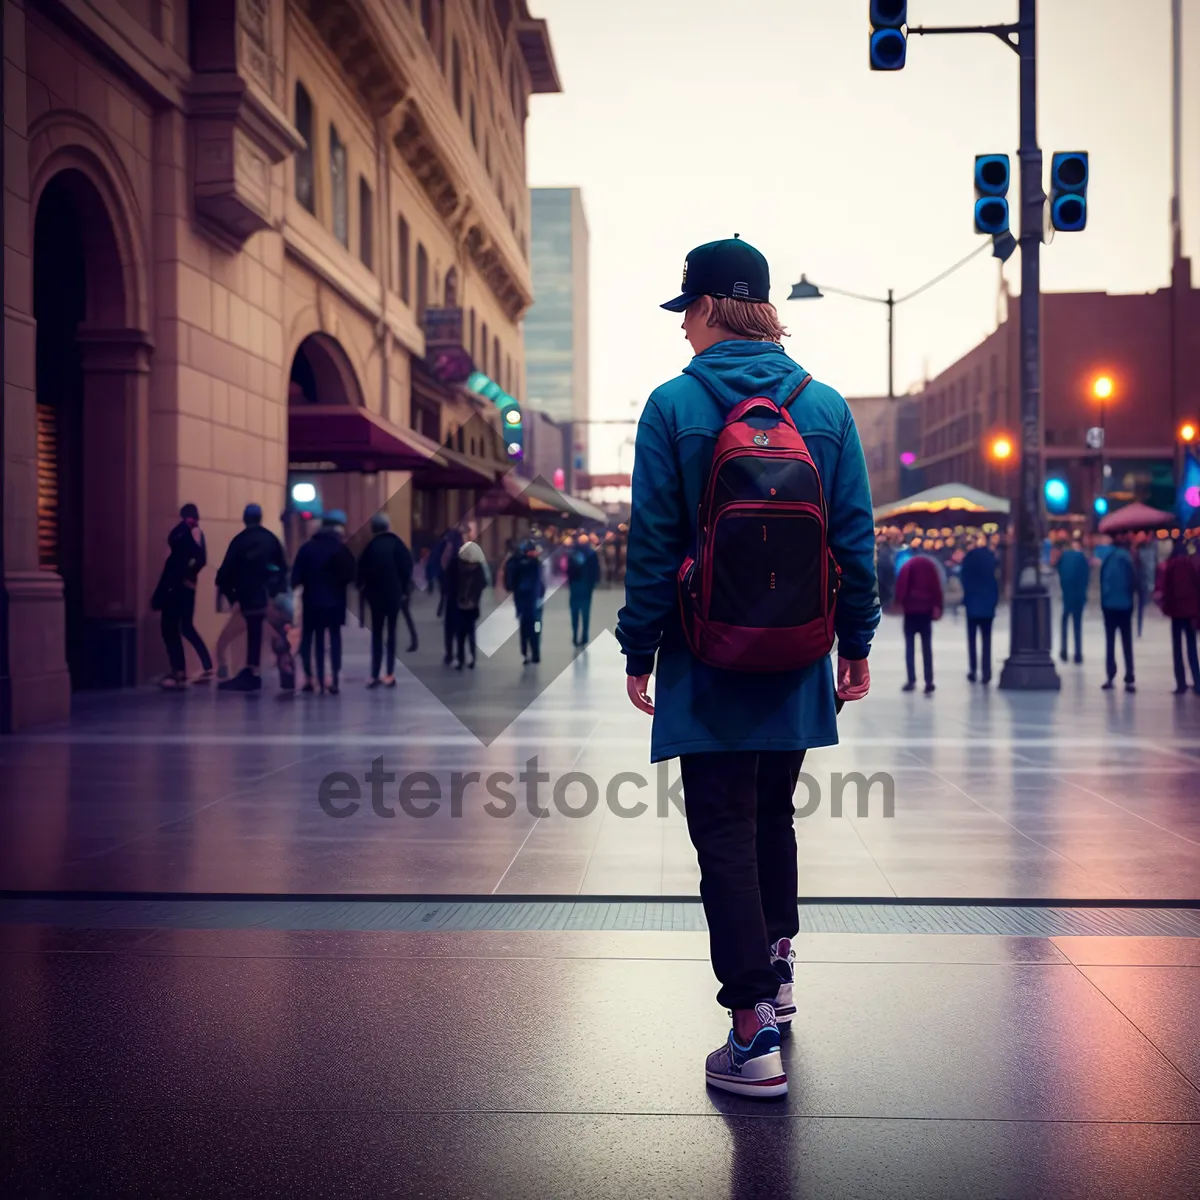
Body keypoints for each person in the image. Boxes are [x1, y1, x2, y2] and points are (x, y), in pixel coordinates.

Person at [615, 235, 878, 1100]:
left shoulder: (672, 405)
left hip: (707, 652)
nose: (682, 333)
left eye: (683, 315)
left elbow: (652, 543)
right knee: (773, 813)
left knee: (722, 829)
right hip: (800, 651)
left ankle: (750, 1029)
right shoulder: (827, 406)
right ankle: (780, 971)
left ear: (703, 310)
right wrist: (857, 644)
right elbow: (854, 540)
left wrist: (639, 646)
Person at [214, 503, 288, 691]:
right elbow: (282, 569)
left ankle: (248, 670)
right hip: (266, 599)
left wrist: (234, 597)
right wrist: (274, 593)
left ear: (244, 519)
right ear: (260, 518)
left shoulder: (239, 541)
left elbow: (223, 575)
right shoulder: (270, 539)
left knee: (237, 636)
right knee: (269, 632)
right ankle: (278, 668)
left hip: (247, 599)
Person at [291, 509, 356, 695]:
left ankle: (312, 678)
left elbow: (296, 578)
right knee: (335, 638)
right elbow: (351, 576)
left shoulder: (307, 548)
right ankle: (334, 678)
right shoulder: (341, 549)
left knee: (312, 640)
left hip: (312, 601)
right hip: (336, 602)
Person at [151, 503, 213, 688]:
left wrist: (184, 577)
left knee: (171, 628)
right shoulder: (190, 532)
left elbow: (186, 562)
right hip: (182, 587)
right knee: (184, 627)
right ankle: (199, 667)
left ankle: (179, 671)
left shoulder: (185, 533)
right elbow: (197, 560)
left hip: (176, 588)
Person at [357, 512, 417, 688]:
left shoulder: (370, 546)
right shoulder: (397, 544)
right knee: (392, 632)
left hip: (375, 597)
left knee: (376, 633)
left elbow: (361, 571)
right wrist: (404, 590)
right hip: (394, 595)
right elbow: (407, 568)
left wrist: (364, 589)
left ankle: (374, 673)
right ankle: (389, 673)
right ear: (388, 526)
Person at [1155, 539, 1200, 695]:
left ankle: (1181, 683)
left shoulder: (1171, 565)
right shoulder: (1191, 565)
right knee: (1192, 647)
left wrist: (1165, 608)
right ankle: (1197, 682)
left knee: (1177, 648)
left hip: (1176, 612)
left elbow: (1166, 589)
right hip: (1190, 612)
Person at [895, 547, 943, 694]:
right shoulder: (930, 566)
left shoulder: (908, 565)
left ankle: (911, 680)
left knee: (910, 647)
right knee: (926, 647)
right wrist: (938, 606)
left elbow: (901, 587)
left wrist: (899, 602)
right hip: (926, 611)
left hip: (910, 611)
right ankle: (929, 681)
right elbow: (937, 588)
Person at [1099, 533, 1137, 692]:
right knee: (1127, 642)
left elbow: (1102, 581)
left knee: (1110, 642)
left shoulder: (1108, 559)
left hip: (1109, 606)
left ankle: (1110, 675)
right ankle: (1129, 677)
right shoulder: (1128, 559)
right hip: (1125, 606)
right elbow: (1133, 581)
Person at [960, 537, 999, 684]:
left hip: (972, 605)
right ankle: (986, 672)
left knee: (972, 639)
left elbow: (964, 579)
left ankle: (973, 669)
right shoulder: (990, 563)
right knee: (986, 640)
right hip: (987, 606)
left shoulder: (969, 561)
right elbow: (995, 584)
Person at [505, 538, 546, 664]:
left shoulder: (519, 563)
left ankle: (528, 653)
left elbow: (510, 583)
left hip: (525, 601)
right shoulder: (534, 564)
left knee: (526, 627)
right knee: (534, 626)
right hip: (533, 601)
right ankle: (533, 652)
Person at [454, 540, 490, 669]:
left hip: (471, 607)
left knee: (469, 634)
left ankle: (471, 658)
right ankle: (461, 659)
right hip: (462, 606)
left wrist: (473, 599)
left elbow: (481, 585)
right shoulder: (461, 570)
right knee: (461, 635)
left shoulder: (477, 572)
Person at [1057, 536, 1090, 663]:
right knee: (1077, 625)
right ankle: (1078, 653)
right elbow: (1086, 578)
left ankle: (1064, 650)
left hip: (1067, 595)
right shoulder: (1082, 558)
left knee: (1064, 622)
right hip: (1078, 596)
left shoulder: (1064, 557)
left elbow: (1060, 573)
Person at [567, 532, 601, 646]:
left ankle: (575, 635)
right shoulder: (591, 553)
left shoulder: (573, 553)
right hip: (586, 587)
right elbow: (596, 570)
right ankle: (584, 636)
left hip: (576, 586)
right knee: (585, 613)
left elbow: (568, 570)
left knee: (575, 612)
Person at [1136, 533, 1158, 637]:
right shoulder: (1139, 550)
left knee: (1140, 606)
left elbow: (1151, 567)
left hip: (1142, 582)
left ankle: (1139, 628)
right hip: (1140, 581)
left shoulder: (1150, 549)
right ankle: (1138, 628)